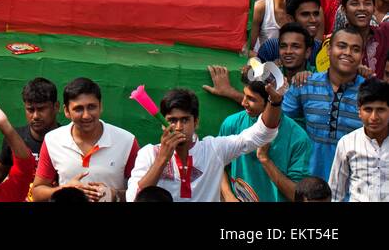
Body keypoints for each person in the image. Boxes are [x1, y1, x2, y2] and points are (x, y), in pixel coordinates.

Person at [127, 82, 284, 202]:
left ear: (196, 122)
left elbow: (261, 134)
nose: (179, 127)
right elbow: (134, 198)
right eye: (172, 121)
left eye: (185, 120)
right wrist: (162, 159)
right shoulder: (148, 154)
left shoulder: (213, 149)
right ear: (163, 124)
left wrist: (275, 102)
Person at [32, 77, 138, 202]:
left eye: (92, 107)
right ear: (66, 111)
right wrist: (64, 190)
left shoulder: (127, 141)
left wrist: (113, 195)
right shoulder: (52, 140)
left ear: (100, 107)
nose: (86, 115)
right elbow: (37, 192)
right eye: (78, 109)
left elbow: (141, 192)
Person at [282, 29, 366, 179]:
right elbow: (278, 120)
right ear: (328, 50)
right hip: (309, 182)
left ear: (362, 56)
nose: (348, 52)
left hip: (354, 184)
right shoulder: (305, 84)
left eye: (355, 49)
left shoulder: (371, 92)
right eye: (341, 46)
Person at [218, 72, 313, 203]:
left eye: (251, 99)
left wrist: (265, 160)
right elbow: (218, 164)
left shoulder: (298, 138)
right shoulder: (232, 124)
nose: (243, 102)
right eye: (244, 95)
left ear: (271, 100)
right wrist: (228, 195)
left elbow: (297, 196)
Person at [328, 77, 389, 202]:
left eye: (381, 110)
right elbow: (335, 193)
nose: (374, 117)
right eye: (368, 109)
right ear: (359, 111)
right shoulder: (347, 144)